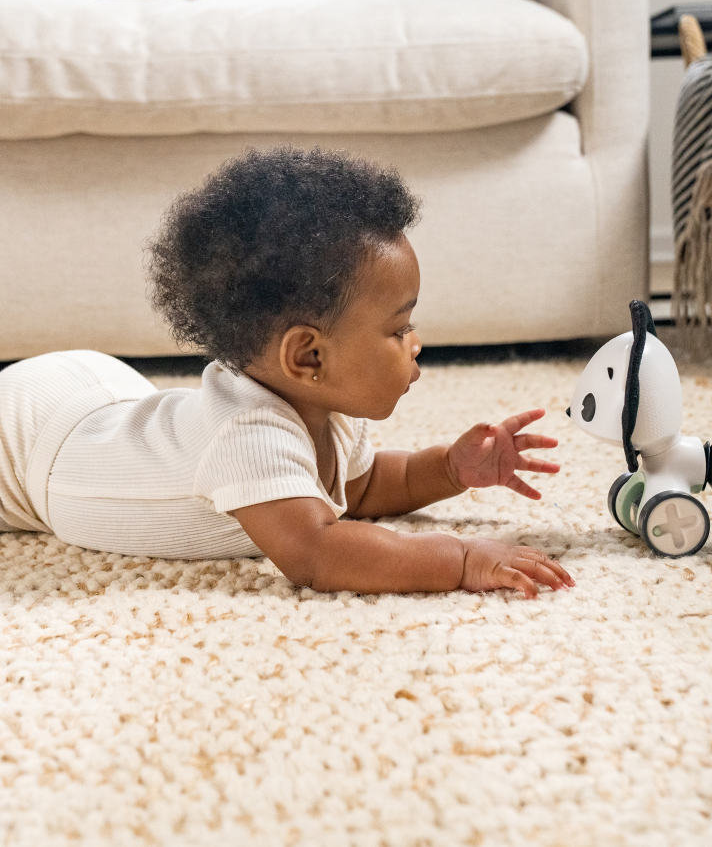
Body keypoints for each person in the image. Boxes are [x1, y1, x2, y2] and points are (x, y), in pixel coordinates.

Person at [0, 146, 572, 599]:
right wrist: (462, 558)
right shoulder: (248, 436)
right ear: (308, 358)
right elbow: (319, 552)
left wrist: (448, 468)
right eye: (398, 330)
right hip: (27, 443)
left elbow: (364, 487)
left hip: (104, 398)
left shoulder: (326, 414)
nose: (417, 343)